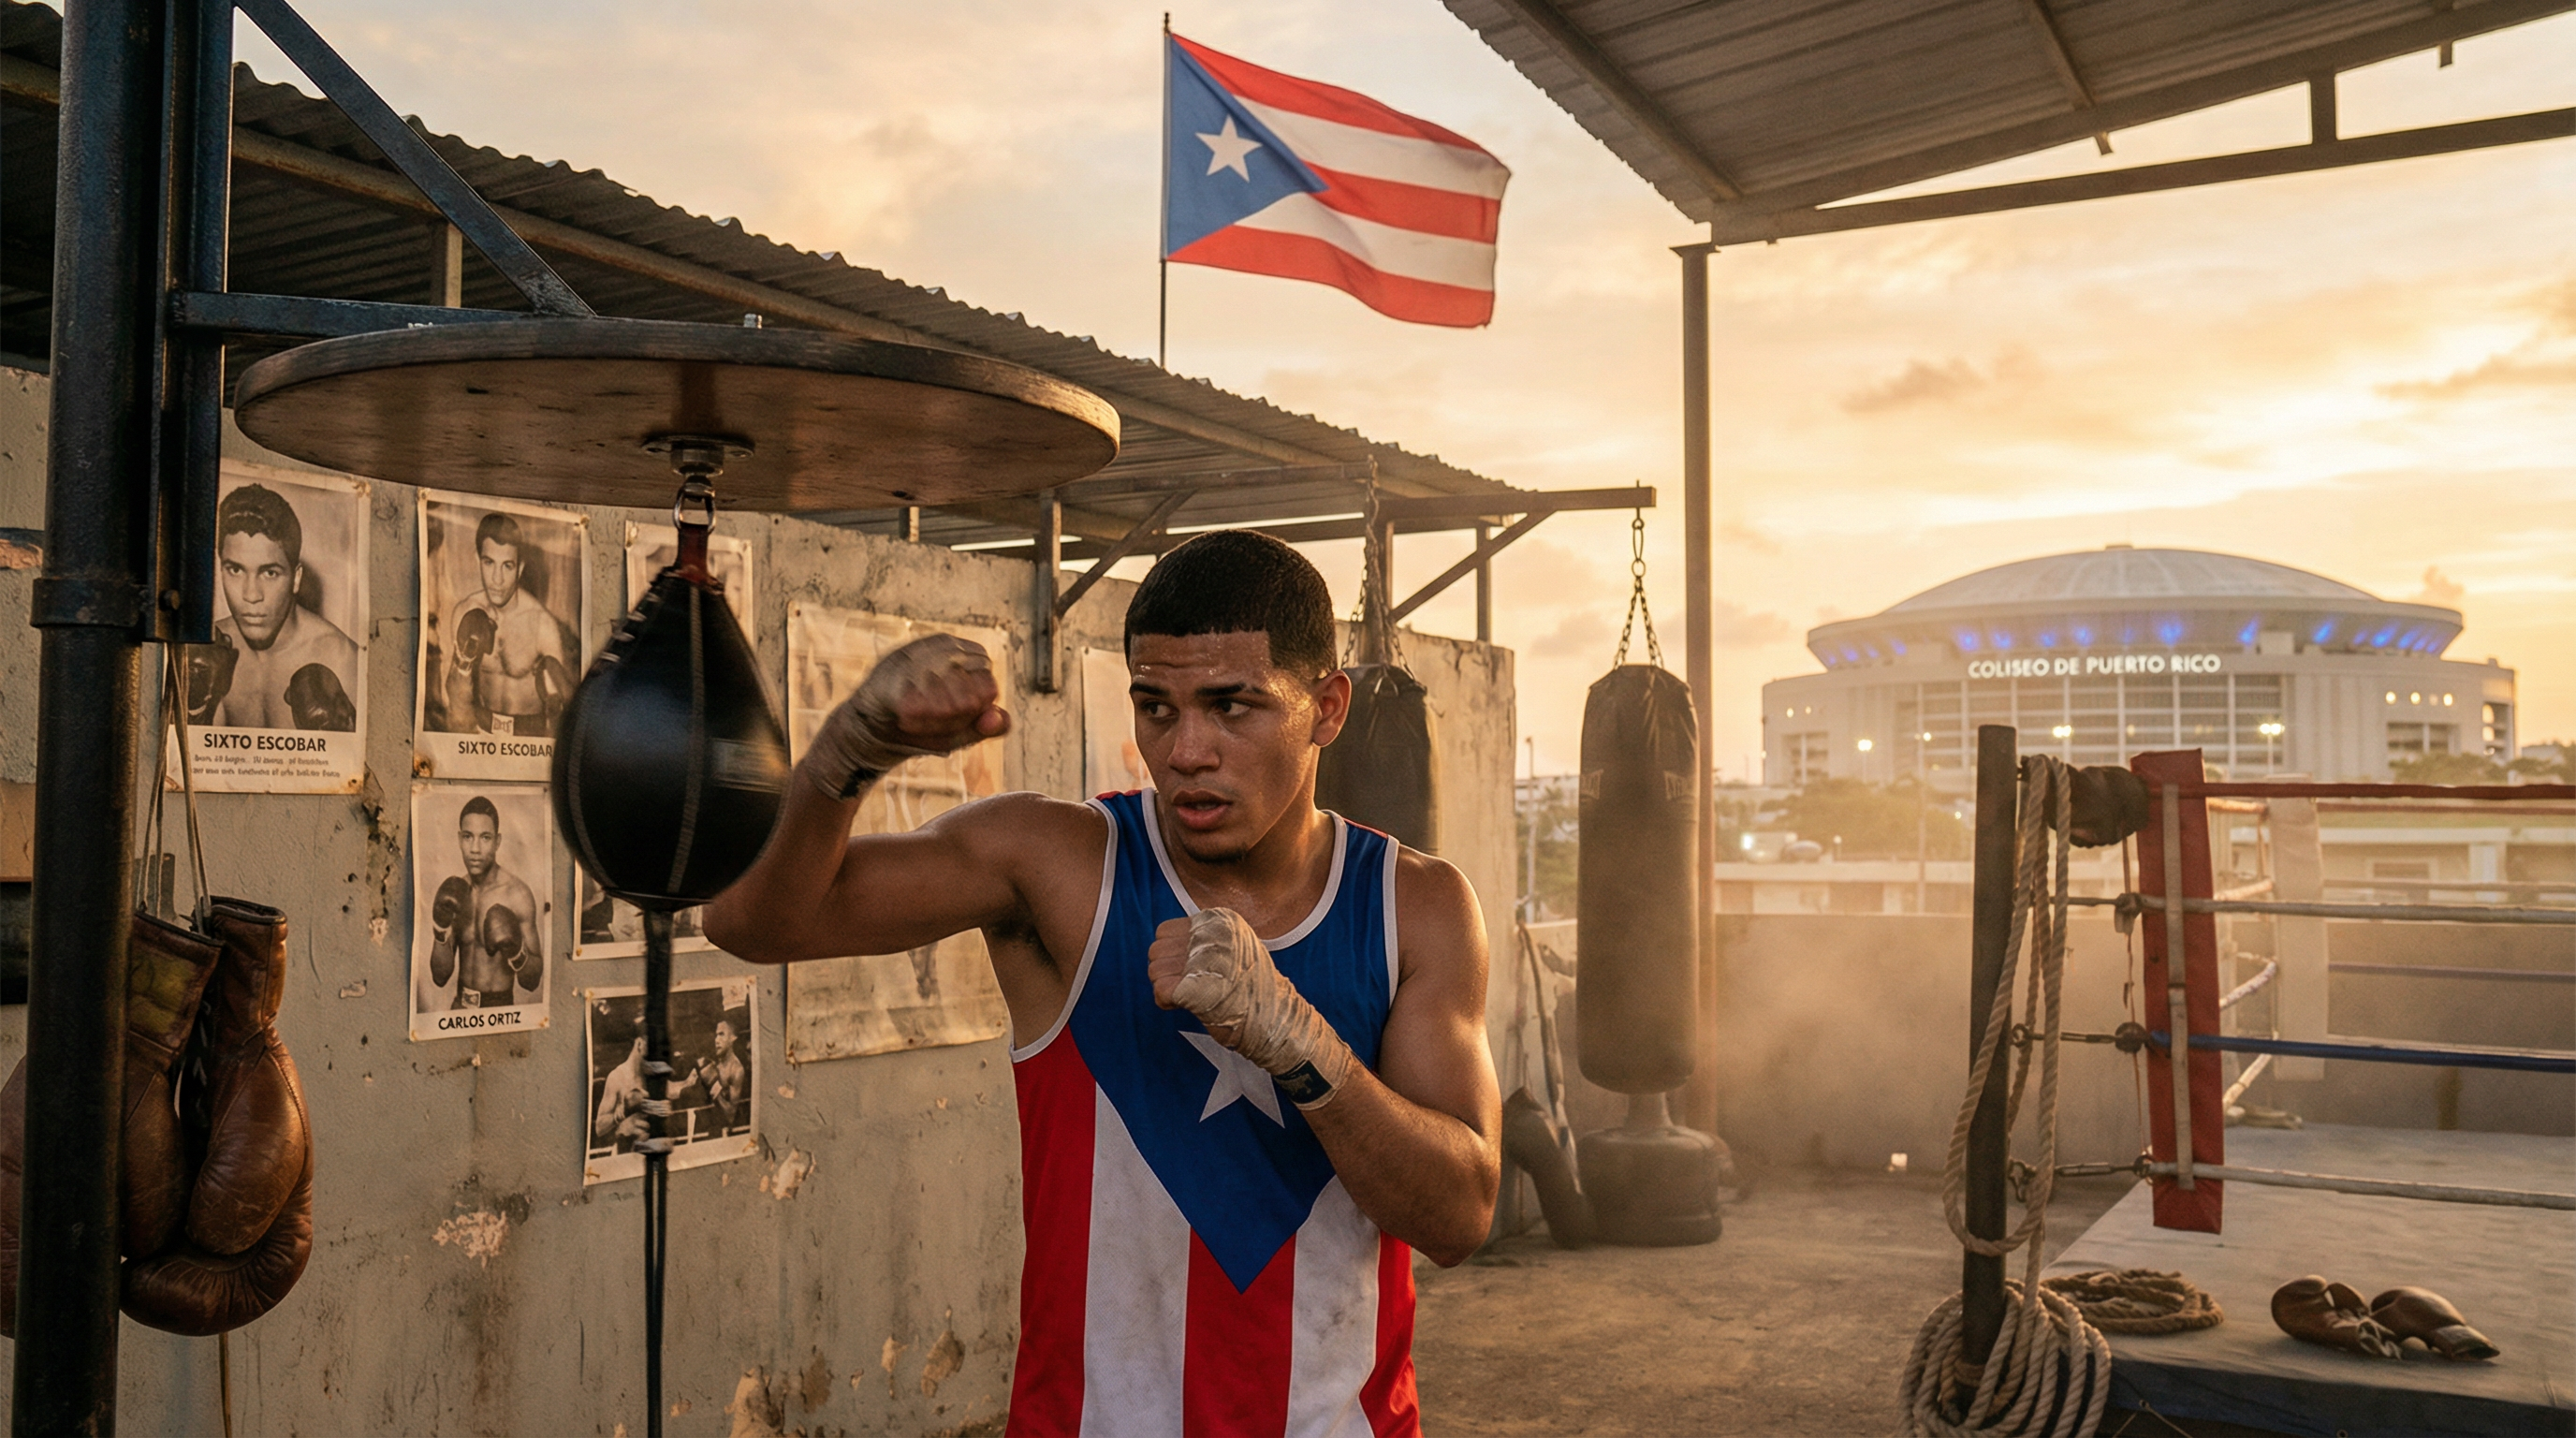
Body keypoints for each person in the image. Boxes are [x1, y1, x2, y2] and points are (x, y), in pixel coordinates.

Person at [710, 531, 1499, 1437]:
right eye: (1155, 708)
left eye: (1231, 706)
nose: (1185, 750)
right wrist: (844, 755)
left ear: (1324, 708)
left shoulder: (1417, 907)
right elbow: (750, 923)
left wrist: (1301, 1044)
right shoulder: (1058, 864)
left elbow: (1460, 1215)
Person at [193, 483, 361, 731]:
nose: (251, 595)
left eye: (270, 572)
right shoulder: (201, 652)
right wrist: (193, 710)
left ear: (296, 579)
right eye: (236, 570)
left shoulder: (342, 658)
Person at [445, 512, 574, 738]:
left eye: (507, 566)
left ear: (520, 568)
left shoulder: (541, 625)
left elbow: (562, 713)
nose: (497, 579)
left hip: (529, 739)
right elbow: (454, 701)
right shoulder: (465, 611)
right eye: (489, 563)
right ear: (478, 561)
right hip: (480, 733)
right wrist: (463, 660)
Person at [417, 796, 545, 1014]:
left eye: (485, 838)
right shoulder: (456, 892)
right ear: (459, 840)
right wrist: (440, 929)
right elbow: (440, 977)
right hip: (460, 1008)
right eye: (468, 837)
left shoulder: (517, 895)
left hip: (500, 1011)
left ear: (497, 842)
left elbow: (531, 982)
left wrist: (517, 951)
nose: (475, 848)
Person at [688, 1019, 748, 1134]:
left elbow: (731, 1115)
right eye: (716, 1035)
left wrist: (713, 1085)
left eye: (721, 1035)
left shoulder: (736, 1070)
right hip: (710, 1128)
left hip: (730, 1134)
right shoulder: (715, 1064)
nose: (716, 1040)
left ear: (732, 1038)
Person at [593, 1034, 651, 1148]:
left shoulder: (649, 1075)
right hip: (626, 1148)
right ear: (639, 1044)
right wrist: (619, 1116)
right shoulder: (617, 1077)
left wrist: (687, 1083)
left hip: (650, 1146)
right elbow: (599, 1128)